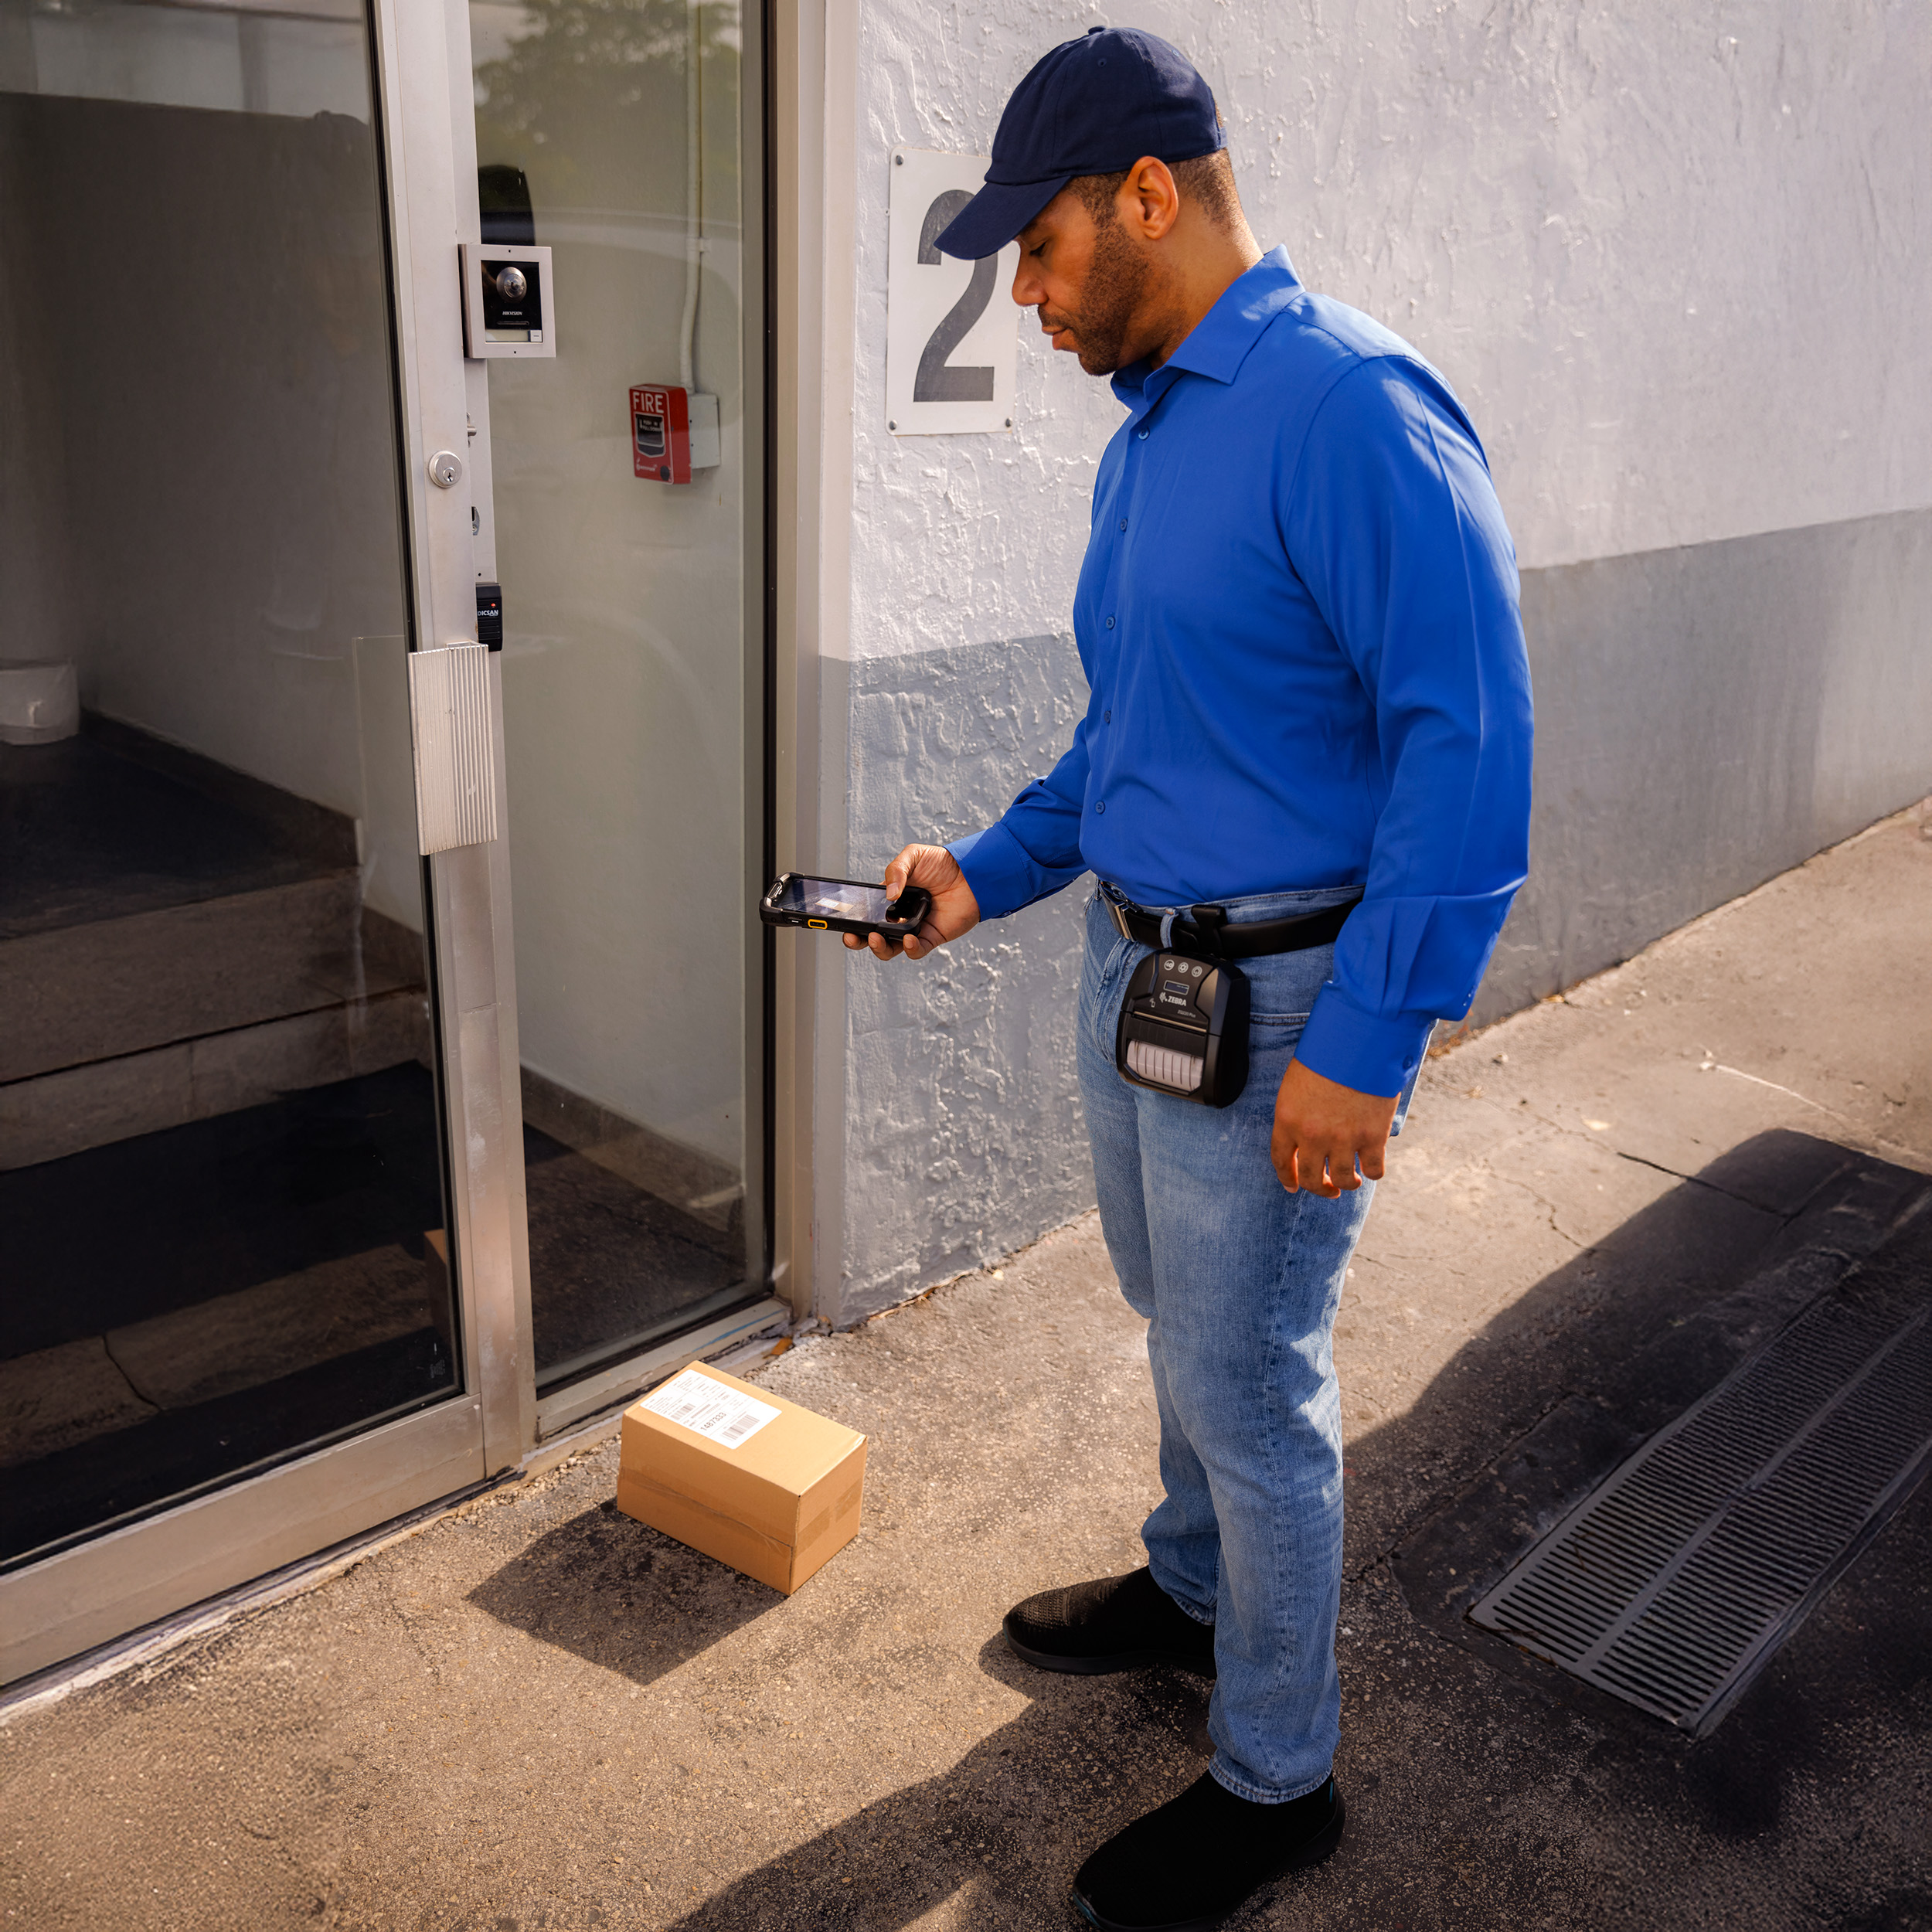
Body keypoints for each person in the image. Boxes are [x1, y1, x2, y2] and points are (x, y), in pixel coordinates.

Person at [851, 26, 1533, 1931]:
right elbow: (1128, 729)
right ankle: (1190, 1586)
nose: (1028, 296)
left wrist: (1373, 1043)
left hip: (1285, 1012)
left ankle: (1272, 1772)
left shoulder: (1349, 410)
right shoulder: (1153, 437)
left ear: (1147, 197)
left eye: (1042, 250)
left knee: (1250, 1377)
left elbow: (1464, 750)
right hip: (1133, 979)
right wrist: (978, 873)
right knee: (1181, 1323)